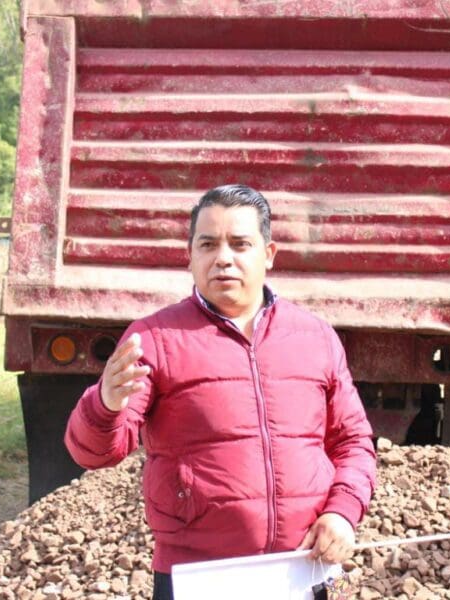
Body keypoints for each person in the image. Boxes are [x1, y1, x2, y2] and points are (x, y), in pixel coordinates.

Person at [65, 184, 377, 600]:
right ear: (190, 256)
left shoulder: (314, 337)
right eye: (208, 244)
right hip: (197, 577)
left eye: (240, 244)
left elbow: (353, 442)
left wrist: (342, 513)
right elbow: (94, 454)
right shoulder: (155, 338)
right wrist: (104, 406)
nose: (223, 258)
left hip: (300, 570)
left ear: (268, 254)